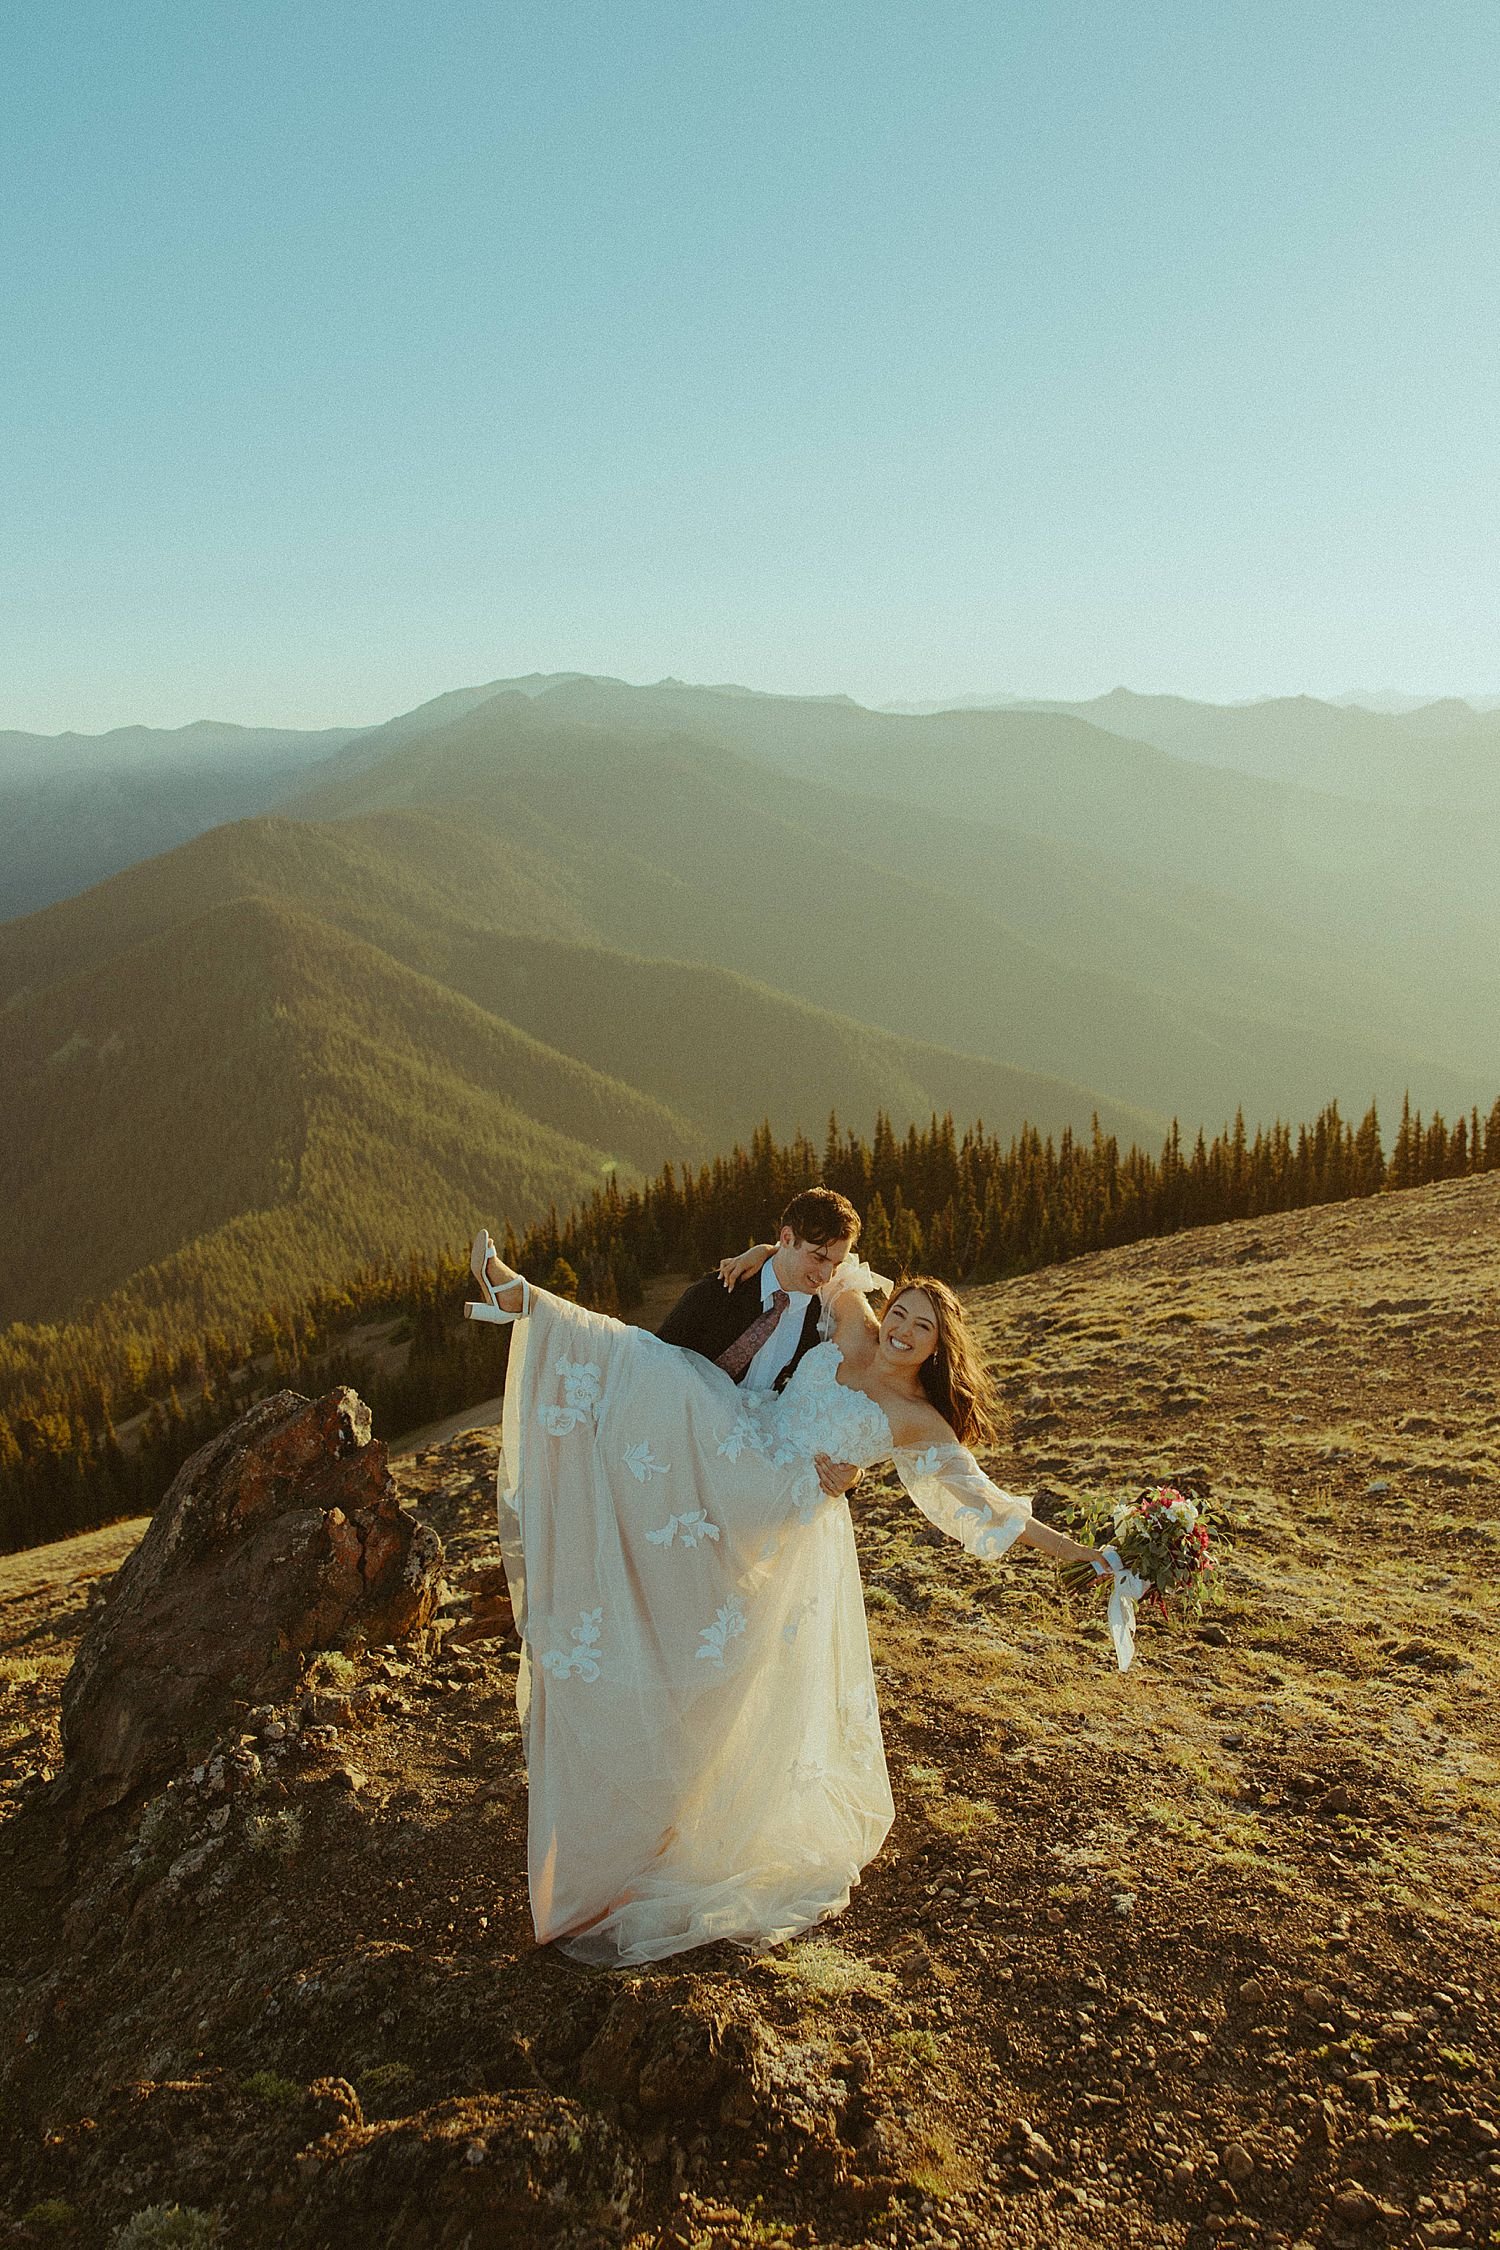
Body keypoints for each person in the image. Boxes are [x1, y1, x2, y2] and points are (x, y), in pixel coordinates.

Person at [466, 1224, 1127, 1969]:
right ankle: (522, 1299)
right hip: (737, 1438)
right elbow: (821, 1267)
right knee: (654, 1367)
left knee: (720, 1666)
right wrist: (756, 1255)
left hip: (775, 1513)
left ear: (940, 1348)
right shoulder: (855, 1323)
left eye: (922, 1329)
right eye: (901, 1314)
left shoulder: (920, 1420)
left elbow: (992, 1505)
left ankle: (669, 1824)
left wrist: (1084, 1556)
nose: (903, 1333)